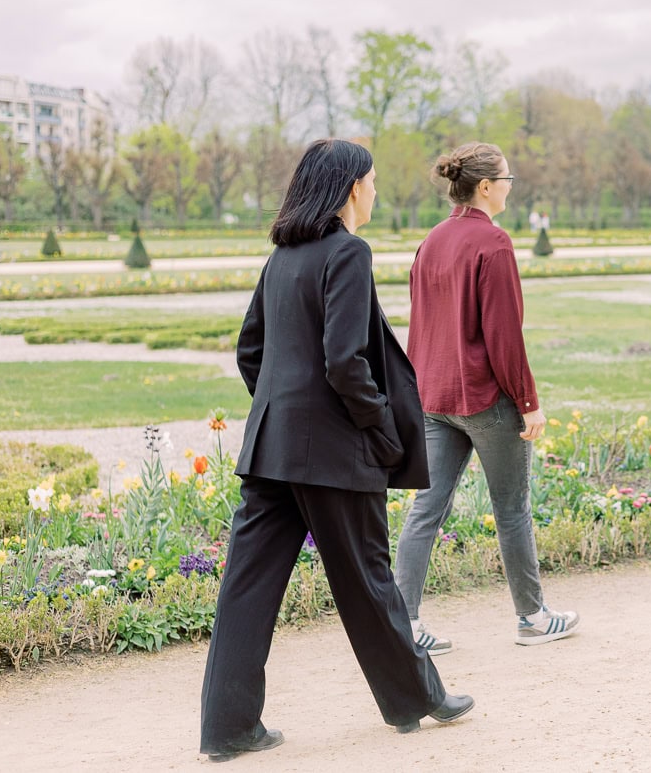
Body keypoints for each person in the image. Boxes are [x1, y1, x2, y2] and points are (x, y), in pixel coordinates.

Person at [199, 139, 473, 763]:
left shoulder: (283, 257)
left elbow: (250, 352)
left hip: (269, 450)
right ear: (351, 188)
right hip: (333, 453)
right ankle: (417, 700)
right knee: (370, 581)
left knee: (245, 588)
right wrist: (378, 431)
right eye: (372, 182)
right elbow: (346, 362)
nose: (376, 192)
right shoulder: (348, 252)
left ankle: (227, 730)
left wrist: (282, 412)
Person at [395, 142, 579, 655]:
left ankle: (402, 624)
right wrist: (528, 400)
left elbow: (420, 323)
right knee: (513, 509)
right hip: (485, 400)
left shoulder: (431, 241)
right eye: (506, 178)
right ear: (484, 187)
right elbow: (504, 337)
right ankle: (532, 617)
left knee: (425, 511)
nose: (510, 186)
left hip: (434, 397)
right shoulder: (493, 244)